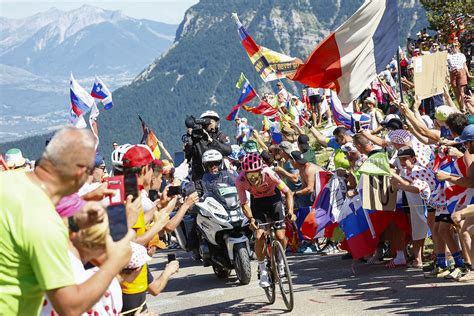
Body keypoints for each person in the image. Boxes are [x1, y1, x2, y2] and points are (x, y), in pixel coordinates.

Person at [0, 127, 133, 315]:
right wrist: (115, 261)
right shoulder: (43, 219)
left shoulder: (8, 181)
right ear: (79, 173)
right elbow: (70, 307)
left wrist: (72, 222)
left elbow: (20, 235)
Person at [236, 153, 295, 288]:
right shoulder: (240, 180)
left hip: (274, 200)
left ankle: (280, 261)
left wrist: (290, 211)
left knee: (280, 235)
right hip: (257, 203)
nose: (253, 179)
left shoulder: (269, 173)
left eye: (255, 175)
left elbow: (288, 192)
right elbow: (244, 203)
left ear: (261, 170)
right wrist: (250, 219)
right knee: (259, 235)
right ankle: (262, 270)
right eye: (249, 176)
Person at [184, 110, 232, 181]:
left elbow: (228, 150)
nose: (210, 123)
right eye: (207, 121)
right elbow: (187, 156)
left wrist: (212, 141)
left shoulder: (220, 136)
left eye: (212, 121)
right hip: (200, 178)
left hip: (220, 176)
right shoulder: (197, 137)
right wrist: (190, 138)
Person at [448, 42, 471, 112]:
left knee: (462, 91)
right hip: (452, 73)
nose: (455, 47)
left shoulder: (461, 55)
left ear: (458, 47)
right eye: (453, 46)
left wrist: (468, 74)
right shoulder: (448, 56)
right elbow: (446, 66)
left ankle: (464, 107)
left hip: (461, 72)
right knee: (456, 92)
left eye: (456, 46)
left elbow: (465, 65)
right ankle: (461, 106)